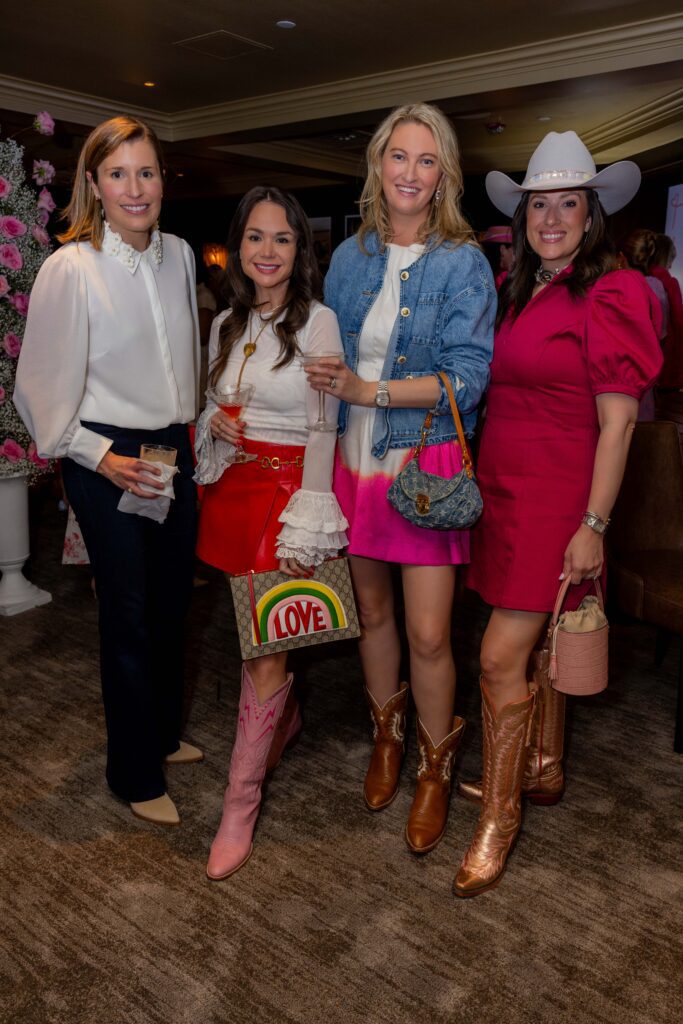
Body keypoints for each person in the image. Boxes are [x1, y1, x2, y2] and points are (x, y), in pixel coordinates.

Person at [458, 131, 663, 898]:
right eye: (537, 203)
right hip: (503, 493)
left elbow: (616, 425)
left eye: (565, 203)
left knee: (494, 659)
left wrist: (594, 524)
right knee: (536, 646)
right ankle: (541, 767)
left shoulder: (609, 292)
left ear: (591, 212)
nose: (549, 217)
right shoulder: (523, 287)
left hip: (558, 500)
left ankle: (498, 816)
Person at [308, 103, 495, 855]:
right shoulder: (350, 256)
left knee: (426, 631)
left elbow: (468, 380)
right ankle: (384, 738)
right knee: (373, 613)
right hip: (354, 457)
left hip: (422, 460)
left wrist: (369, 391)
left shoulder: (462, 260)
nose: (410, 173)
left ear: (443, 173)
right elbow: (330, 357)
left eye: (426, 160)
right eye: (398, 157)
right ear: (377, 165)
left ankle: (432, 768)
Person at [14, 116, 201, 827]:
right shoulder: (72, 266)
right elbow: (38, 388)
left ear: (162, 181)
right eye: (118, 173)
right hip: (104, 455)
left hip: (170, 448)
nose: (135, 187)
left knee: (171, 602)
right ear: (92, 183)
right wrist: (101, 458)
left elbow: (184, 360)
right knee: (126, 614)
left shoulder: (181, 255)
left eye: (146, 172)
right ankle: (132, 772)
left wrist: (194, 433)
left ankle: (160, 734)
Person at [193, 186, 348, 880]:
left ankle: (239, 805)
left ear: (299, 249)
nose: (266, 251)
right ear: (239, 245)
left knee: (266, 654)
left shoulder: (320, 323)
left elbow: (324, 426)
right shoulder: (224, 320)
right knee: (253, 640)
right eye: (254, 237)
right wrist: (211, 424)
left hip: (287, 498)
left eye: (281, 238)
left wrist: (309, 515)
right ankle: (280, 722)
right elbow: (209, 401)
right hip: (232, 489)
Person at [481, 224, 515, 290]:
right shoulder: (503, 279)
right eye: (514, 252)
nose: (516, 258)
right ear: (502, 249)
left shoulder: (481, 273)